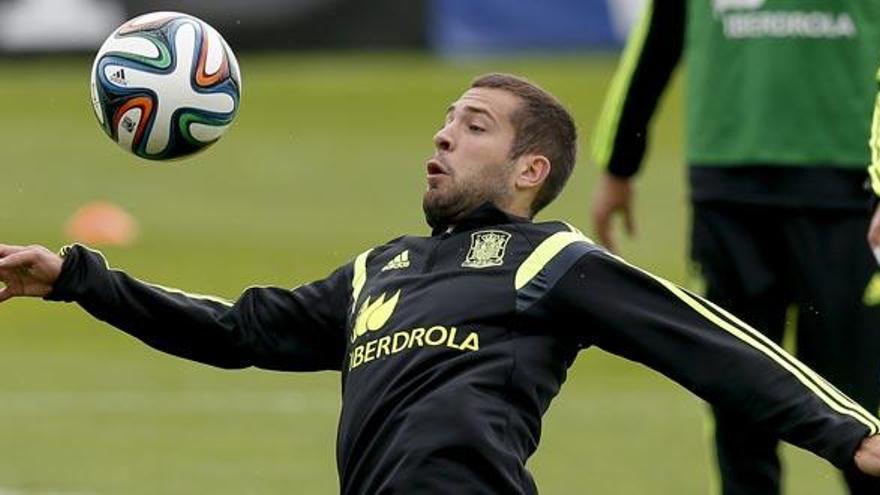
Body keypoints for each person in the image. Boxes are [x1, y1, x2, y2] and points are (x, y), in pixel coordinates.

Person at [2, 73, 880, 494]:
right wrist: (79, 278)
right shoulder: (381, 270)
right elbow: (237, 330)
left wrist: (849, 433)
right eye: (445, 120)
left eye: (475, 125)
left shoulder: (550, 258)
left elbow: (704, 339)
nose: (444, 135)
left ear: (530, 167)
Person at [590, 1, 880, 493]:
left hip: (850, 190)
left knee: (862, 397)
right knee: (735, 390)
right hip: (728, 191)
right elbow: (660, 36)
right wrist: (620, 160)